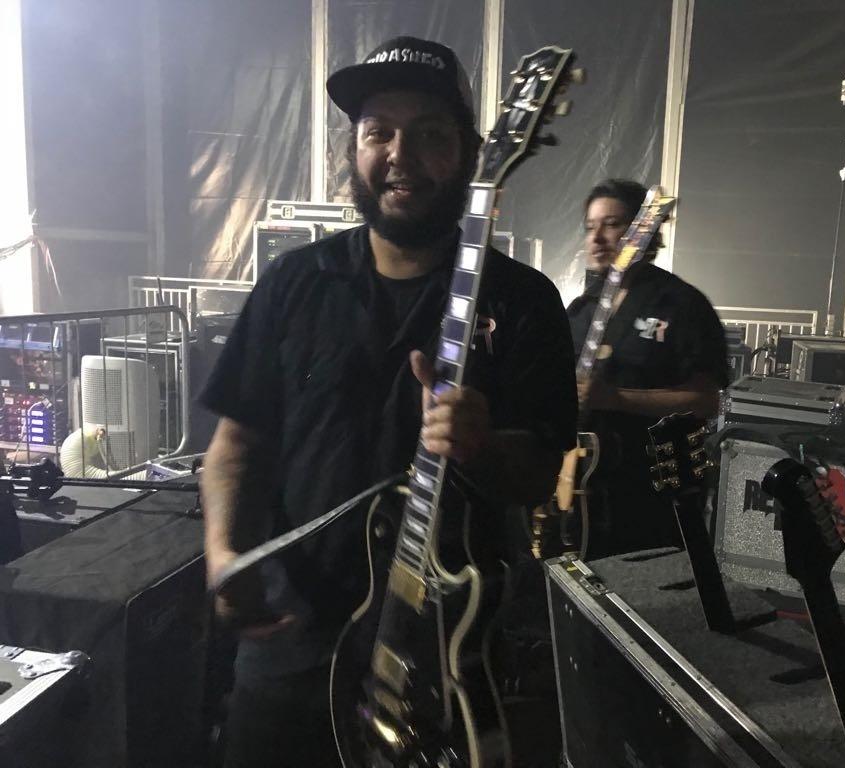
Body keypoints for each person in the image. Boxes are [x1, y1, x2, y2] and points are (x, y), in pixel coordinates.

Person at [200, 36, 577, 768]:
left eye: (430, 134)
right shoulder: (292, 284)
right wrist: (222, 555)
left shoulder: (525, 302)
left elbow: (539, 475)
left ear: (472, 152)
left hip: (441, 661)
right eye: (379, 132)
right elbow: (233, 446)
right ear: (355, 149)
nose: (400, 153)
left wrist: (483, 443)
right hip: (288, 645)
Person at [566, 179, 728, 557]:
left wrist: (616, 398)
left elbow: (707, 401)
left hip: (653, 492)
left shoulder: (682, 305)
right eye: (591, 227)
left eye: (612, 224)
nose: (598, 237)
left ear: (645, 229)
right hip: (584, 493)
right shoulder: (581, 309)